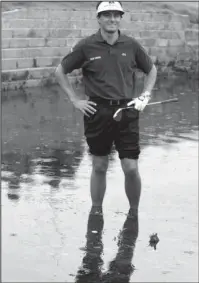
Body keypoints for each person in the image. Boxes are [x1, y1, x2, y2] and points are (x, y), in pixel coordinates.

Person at [55, 1, 157, 218]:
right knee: (100, 165)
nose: (112, 19)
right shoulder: (86, 46)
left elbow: (152, 69)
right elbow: (60, 71)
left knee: (130, 167)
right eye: (107, 15)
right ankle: (97, 212)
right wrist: (75, 100)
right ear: (99, 18)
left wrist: (145, 95)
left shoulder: (131, 45)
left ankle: (134, 213)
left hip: (128, 110)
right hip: (97, 112)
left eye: (116, 15)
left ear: (121, 18)